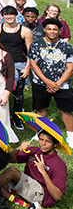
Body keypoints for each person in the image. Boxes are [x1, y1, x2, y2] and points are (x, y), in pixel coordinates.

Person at [26, 18, 73, 147]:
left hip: (62, 85)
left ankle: (71, 136)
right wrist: (47, 82)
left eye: (55, 29)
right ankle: (40, 132)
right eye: (49, 29)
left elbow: (70, 68)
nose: (52, 32)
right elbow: (34, 65)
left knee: (66, 110)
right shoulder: (36, 44)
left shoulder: (67, 46)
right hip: (41, 83)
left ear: (59, 31)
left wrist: (57, 84)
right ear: (45, 30)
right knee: (40, 109)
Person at [0, 131, 67, 209]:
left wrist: (43, 172)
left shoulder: (59, 165)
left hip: (42, 195)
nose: (43, 143)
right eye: (41, 139)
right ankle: (26, 205)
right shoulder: (34, 151)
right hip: (27, 184)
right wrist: (19, 148)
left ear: (55, 144)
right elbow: (10, 159)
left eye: (48, 141)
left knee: (11, 172)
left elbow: (57, 196)